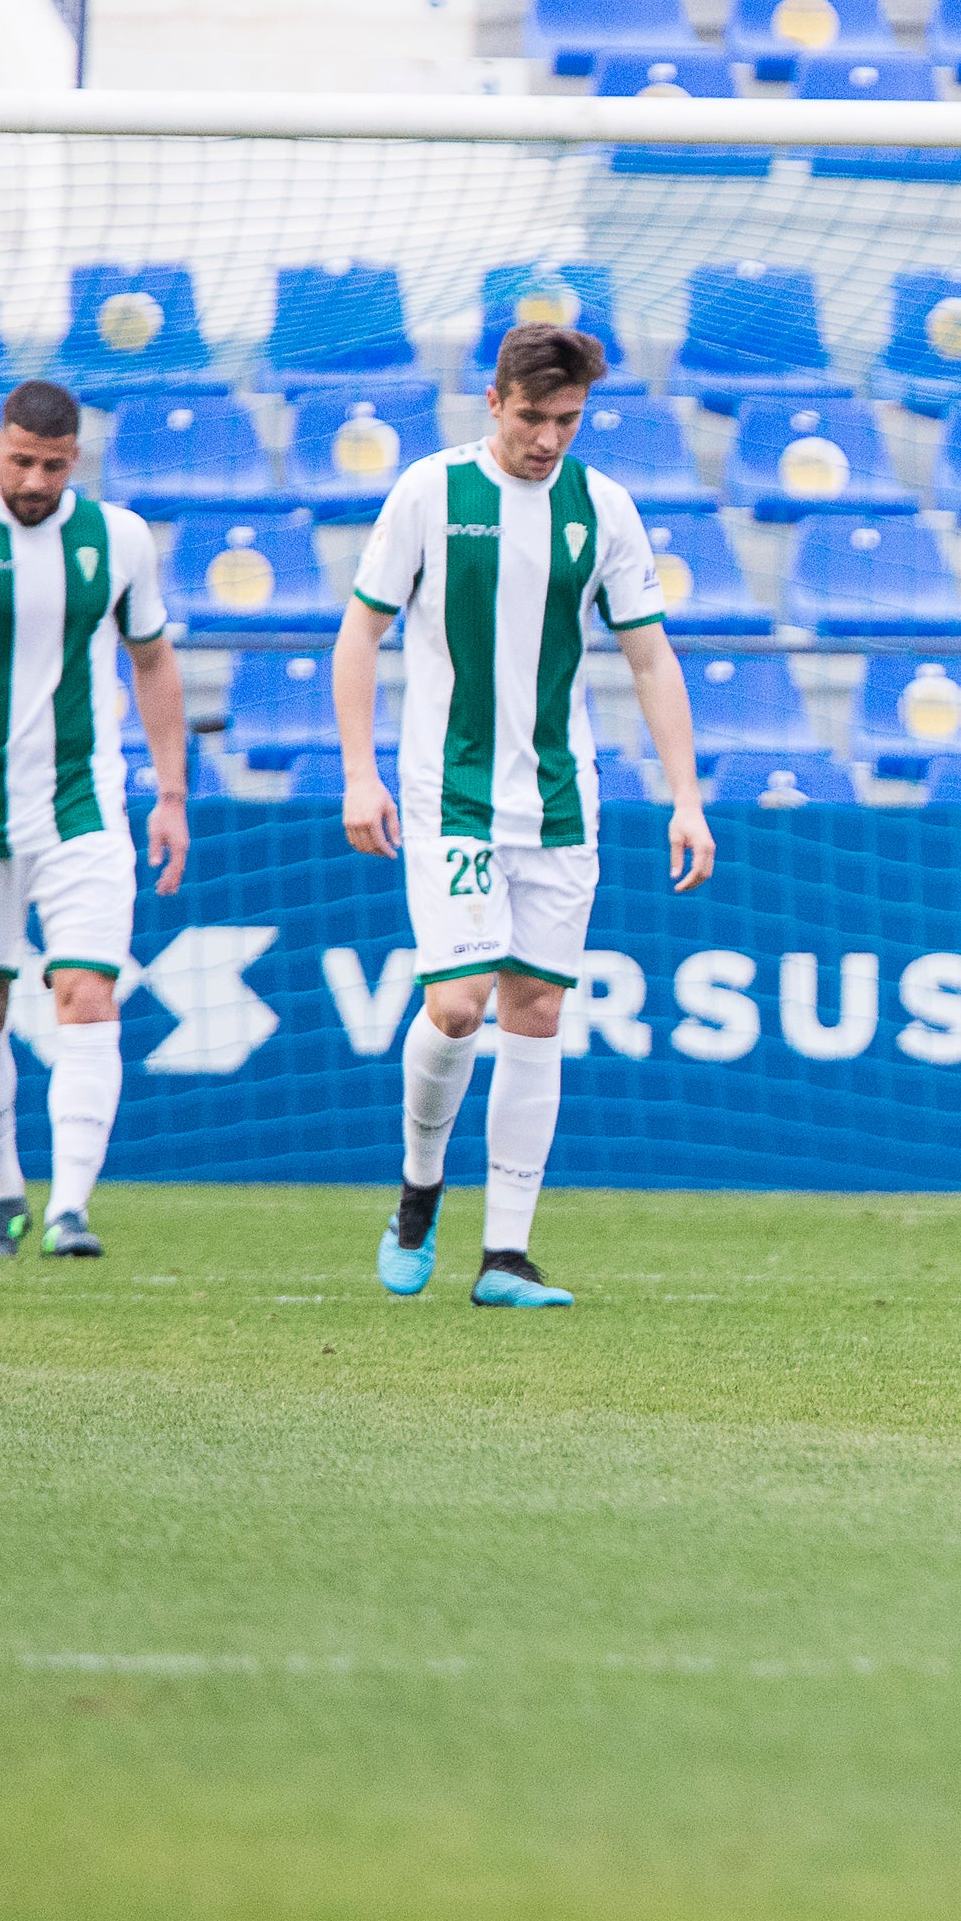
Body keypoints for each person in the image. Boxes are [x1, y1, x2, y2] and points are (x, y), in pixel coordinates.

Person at [332, 323, 715, 1307]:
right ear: (494, 401)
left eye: (569, 421)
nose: (550, 439)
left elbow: (649, 657)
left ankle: (506, 1252)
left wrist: (685, 794)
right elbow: (360, 632)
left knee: (535, 1010)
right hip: (449, 795)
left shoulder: (604, 507)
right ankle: (419, 1189)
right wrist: (357, 773)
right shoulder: (429, 491)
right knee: (456, 1006)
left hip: (556, 802)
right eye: (535, 417)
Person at [0, 377, 185, 1261]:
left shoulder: (117, 537)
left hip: (84, 807)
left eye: (53, 466)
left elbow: (154, 661)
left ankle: (69, 1210)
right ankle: (1, 1191)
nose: (35, 480)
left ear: (75, 460)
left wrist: (170, 795)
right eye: (21, 461)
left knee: (86, 991)